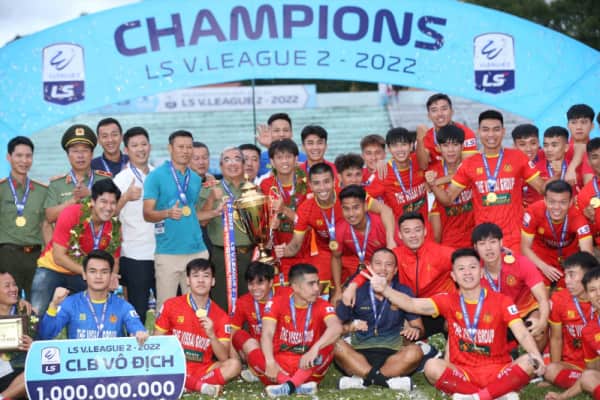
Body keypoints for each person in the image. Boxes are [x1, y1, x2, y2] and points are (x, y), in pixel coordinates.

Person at [362, 248, 545, 399]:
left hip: (497, 370)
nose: (467, 273)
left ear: (481, 272)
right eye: (461, 269)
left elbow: (522, 333)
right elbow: (411, 304)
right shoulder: (447, 300)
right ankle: (497, 393)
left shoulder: (502, 301)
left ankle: (475, 397)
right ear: (454, 276)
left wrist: (537, 355)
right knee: (431, 367)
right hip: (463, 373)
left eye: (472, 267)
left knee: (530, 361)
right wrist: (385, 289)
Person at [275, 163, 396, 305]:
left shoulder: (348, 196)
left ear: (334, 181)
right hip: (327, 253)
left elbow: (385, 210)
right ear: (310, 186)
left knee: (364, 293)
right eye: (317, 183)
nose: (322, 188)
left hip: (357, 252)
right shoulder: (305, 209)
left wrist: (390, 240)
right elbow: (295, 245)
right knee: (322, 292)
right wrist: (284, 251)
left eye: (326, 181)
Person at [429, 110, 544, 252]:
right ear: (478, 132)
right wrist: (433, 184)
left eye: (496, 129)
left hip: (514, 239)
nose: (491, 134)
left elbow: (542, 188)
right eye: (485, 130)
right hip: (485, 241)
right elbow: (448, 199)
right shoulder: (469, 164)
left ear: (503, 131)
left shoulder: (518, 157)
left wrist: (560, 173)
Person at [344, 212, 454, 339]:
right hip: (409, 307)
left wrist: (457, 301)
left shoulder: (442, 253)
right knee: (403, 336)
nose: (413, 235)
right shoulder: (395, 255)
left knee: (451, 326)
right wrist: (352, 287)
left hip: (437, 308)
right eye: (407, 231)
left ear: (425, 231)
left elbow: (467, 265)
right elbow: (369, 270)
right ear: (400, 235)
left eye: (417, 230)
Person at [245, 263, 342, 398]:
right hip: (277, 369)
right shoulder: (277, 302)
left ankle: (288, 386)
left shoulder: (321, 304)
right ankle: (297, 386)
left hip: (308, 367)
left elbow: (336, 327)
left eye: (317, 283)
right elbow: (267, 334)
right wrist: (270, 362)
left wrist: (315, 349)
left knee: (331, 343)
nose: (317, 288)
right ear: (295, 287)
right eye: (311, 284)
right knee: (246, 341)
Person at [335, 248, 422, 392]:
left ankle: (363, 380)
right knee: (334, 344)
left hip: (393, 354)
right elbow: (336, 327)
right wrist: (351, 325)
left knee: (416, 351)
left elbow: (419, 327)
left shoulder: (403, 291)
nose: (383, 269)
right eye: (378, 263)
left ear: (395, 270)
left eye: (389, 264)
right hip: (358, 353)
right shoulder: (356, 290)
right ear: (370, 268)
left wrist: (414, 330)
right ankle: (386, 381)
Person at [32, 179, 121, 316]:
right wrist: (89, 273)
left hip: (82, 274)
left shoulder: (115, 226)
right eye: (103, 202)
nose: (108, 208)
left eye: (113, 203)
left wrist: (112, 277)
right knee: (37, 313)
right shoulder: (72, 213)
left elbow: (114, 260)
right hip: (52, 268)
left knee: (93, 314)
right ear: (92, 201)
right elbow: (58, 257)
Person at [155, 258, 241, 397]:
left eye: (206, 276)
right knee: (157, 363)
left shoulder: (221, 315)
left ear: (213, 281)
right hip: (174, 364)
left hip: (203, 368)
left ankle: (190, 384)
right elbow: (157, 341)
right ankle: (200, 386)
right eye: (195, 276)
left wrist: (212, 335)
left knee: (234, 365)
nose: (201, 280)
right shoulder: (171, 305)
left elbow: (223, 357)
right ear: (188, 280)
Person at [143, 130, 207, 309]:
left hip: (196, 250)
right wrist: (167, 213)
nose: (185, 151)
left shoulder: (195, 178)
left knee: (197, 308)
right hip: (168, 252)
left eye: (189, 147)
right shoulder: (155, 176)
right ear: (170, 148)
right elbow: (147, 214)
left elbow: (192, 213)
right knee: (165, 308)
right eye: (180, 147)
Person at [38, 250, 147, 343]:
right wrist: (54, 305)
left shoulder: (123, 306)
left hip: (113, 360)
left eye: (104, 272)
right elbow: (46, 335)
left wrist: (139, 333)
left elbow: (138, 329)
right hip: (79, 361)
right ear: (84, 274)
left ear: (111, 275)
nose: (98, 276)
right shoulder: (71, 303)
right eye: (92, 271)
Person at [472, 222, 549, 350]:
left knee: (538, 328)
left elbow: (542, 298)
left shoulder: (520, 263)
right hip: (494, 317)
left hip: (523, 312)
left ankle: (535, 359)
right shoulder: (472, 269)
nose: (488, 248)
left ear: (501, 243)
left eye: (493, 242)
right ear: (475, 247)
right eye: (482, 244)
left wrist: (543, 323)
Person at [198, 147, 254, 312]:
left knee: (249, 302)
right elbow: (202, 221)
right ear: (221, 166)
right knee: (221, 302)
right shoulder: (210, 189)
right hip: (221, 255)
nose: (232, 163)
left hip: (249, 254)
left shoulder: (254, 189)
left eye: (237, 159)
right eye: (227, 160)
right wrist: (211, 199)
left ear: (243, 164)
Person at [113, 127, 155, 324]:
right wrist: (125, 197)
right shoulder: (121, 179)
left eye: (144, 144)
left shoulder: (159, 175)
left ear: (150, 146)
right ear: (126, 150)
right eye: (135, 145)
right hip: (135, 254)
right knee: (137, 311)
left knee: (167, 307)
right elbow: (109, 213)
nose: (140, 149)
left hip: (162, 253)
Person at [0, 136, 50, 298]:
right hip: (6, 257)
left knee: (36, 304)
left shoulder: (42, 191)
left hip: (35, 257)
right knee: (7, 304)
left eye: (28, 156)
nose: (24, 160)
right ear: (9, 157)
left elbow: (45, 225)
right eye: (19, 155)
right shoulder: (1, 189)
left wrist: (49, 256)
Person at [521, 180, 593, 287]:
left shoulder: (578, 217)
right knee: (539, 291)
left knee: (571, 291)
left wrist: (576, 273)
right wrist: (544, 267)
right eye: (552, 202)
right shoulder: (533, 212)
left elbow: (587, 255)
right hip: (541, 257)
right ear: (545, 200)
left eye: (563, 202)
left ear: (571, 202)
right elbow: (525, 248)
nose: (557, 207)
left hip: (569, 259)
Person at [259, 139, 310, 286]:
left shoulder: (307, 184)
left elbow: (309, 222)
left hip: (305, 249)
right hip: (278, 251)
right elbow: (262, 220)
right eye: (279, 157)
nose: (284, 161)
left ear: (296, 159)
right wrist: (268, 226)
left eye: (288, 156)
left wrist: (284, 210)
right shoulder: (265, 185)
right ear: (272, 162)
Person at [544, 252, 598, 391]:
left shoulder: (597, 298)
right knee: (550, 370)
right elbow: (556, 338)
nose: (567, 281)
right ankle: (588, 382)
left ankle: (587, 382)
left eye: (572, 275)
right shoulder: (559, 299)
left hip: (597, 362)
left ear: (588, 275)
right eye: (566, 275)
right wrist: (554, 374)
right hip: (574, 365)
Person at [44, 124, 111, 224]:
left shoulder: (106, 180)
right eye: (75, 151)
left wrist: (91, 195)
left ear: (92, 154)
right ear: (68, 155)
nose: (80, 156)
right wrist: (73, 201)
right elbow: (50, 217)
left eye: (85, 150)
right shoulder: (56, 184)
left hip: (99, 234)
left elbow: (114, 211)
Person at [230, 261, 280, 382]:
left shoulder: (285, 295)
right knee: (239, 335)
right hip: (256, 350)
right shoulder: (243, 302)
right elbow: (232, 333)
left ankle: (259, 371)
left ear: (271, 282)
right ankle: (260, 368)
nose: (255, 288)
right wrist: (235, 364)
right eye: (251, 283)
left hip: (281, 348)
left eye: (260, 283)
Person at [427, 125, 475, 248]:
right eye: (446, 145)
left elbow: (465, 173)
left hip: (475, 240)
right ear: (438, 148)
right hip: (449, 242)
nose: (451, 150)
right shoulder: (433, 172)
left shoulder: (473, 166)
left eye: (455, 145)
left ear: (463, 146)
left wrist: (438, 181)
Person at [331, 185, 389, 285]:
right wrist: (338, 288)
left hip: (385, 270)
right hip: (363, 271)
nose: (351, 214)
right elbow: (336, 257)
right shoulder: (339, 229)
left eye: (356, 207)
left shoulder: (382, 224)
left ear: (365, 206)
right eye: (346, 209)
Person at [367, 127, 429, 221]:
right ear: (388, 149)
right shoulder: (383, 173)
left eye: (404, 144)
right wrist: (383, 210)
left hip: (424, 226)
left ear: (411, 145)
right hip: (400, 228)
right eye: (395, 146)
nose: (400, 149)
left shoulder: (419, 161)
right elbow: (361, 197)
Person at [415, 93, 478, 170]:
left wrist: (439, 178)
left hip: (456, 177)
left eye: (444, 109)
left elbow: (467, 168)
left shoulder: (466, 133)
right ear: (429, 116)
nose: (440, 114)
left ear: (452, 112)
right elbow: (423, 166)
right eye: (434, 110)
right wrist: (420, 139)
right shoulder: (426, 135)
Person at [0, 269, 35, 400]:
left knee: (35, 372)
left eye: (14, 285)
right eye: (7, 286)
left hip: (20, 371)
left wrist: (33, 346)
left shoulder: (27, 313)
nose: (13, 289)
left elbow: (42, 348)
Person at [563, 104, 596, 187]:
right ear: (568, 126)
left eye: (584, 122)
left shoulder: (597, 150)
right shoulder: (557, 149)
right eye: (574, 122)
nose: (578, 127)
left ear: (592, 126)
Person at [576, 138, 600, 250]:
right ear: (589, 162)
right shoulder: (584, 194)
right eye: (595, 157)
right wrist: (590, 220)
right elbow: (588, 234)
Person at [512, 123, 543, 208]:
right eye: (522, 144)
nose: (528, 149)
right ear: (514, 146)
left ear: (539, 143)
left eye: (533, 143)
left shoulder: (550, 159)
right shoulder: (507, 165)